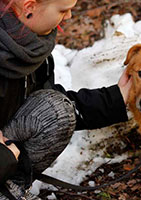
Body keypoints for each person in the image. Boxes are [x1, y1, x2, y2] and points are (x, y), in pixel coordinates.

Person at [0, 0, 132, 199]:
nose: (69, 16)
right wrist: (4, 158)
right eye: (64, 10)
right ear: (29, 7)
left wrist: (115, 99)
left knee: (56, 110)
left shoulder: (31, 48)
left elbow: (47, 108)